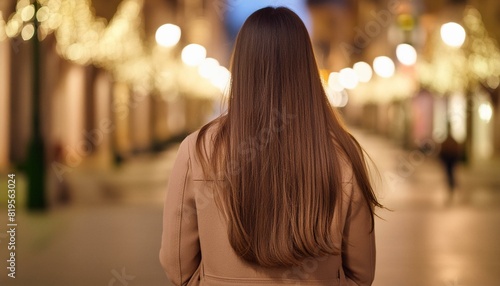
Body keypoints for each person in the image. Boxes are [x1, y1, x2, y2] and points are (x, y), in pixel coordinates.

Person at [160, 7, 382, 286]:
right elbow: (361, 273)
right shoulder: (343, 153)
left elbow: (176, 264)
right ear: (306, 67)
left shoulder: (197, 149)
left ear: (241, 66)